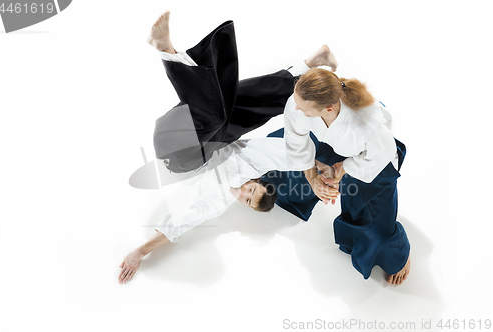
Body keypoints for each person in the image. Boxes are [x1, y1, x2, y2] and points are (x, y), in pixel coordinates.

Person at [118, 11, 338, 284]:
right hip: (194, 126)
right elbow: (288, 157)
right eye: (252, 188)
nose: (245, 191)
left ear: (243, 204)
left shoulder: (216, 201)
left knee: (217, 117)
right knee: (245, 106)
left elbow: (178, 224)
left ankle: (168, 52)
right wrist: (321, 168)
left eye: (247, 198)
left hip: (175, 152)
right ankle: (309, 65)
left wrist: (140, 252)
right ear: (256, 181)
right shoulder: (248, 163)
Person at [283, 67, 411, 285]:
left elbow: (383, 154)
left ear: (329, 108)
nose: (295, 107)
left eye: (303, 108)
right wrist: (313, 179)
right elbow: (296, 141)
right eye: (296, 101)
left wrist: (344, 168)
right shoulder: (299, 102)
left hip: (375, 162)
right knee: (285, 180)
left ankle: (398, 252)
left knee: (377, 231)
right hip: (333, 143)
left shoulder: (365, 125)